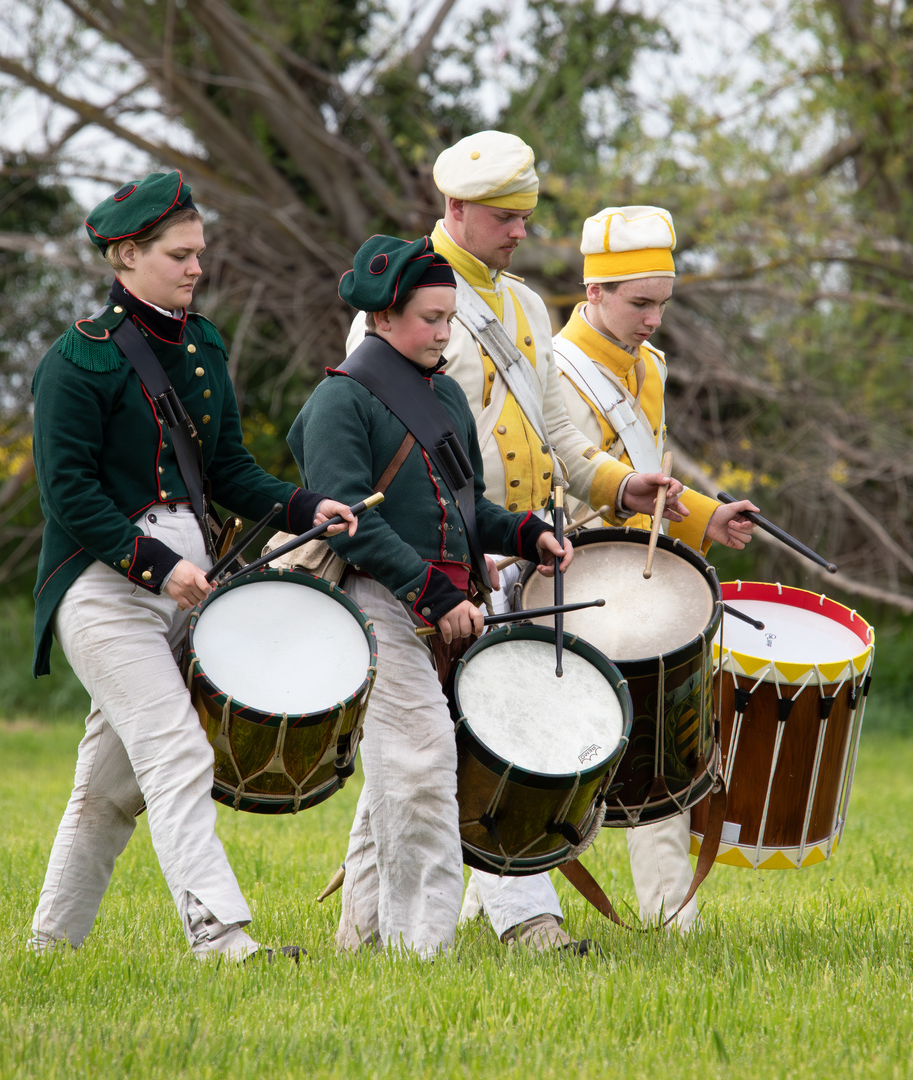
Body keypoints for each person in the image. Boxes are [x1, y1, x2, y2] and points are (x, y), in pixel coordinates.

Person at [344, 131, 686, 951]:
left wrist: (615, 485)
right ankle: (524, 920)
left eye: (526, 216)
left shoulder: (527, 306)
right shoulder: (393, 305)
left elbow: (558, 431)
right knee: (445, 743)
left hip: (517, 551)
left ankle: (364, 932)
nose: (521, 232)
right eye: (504, 217)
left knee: (447, 744)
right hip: (437, 559)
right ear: (455, 210)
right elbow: (369, 439)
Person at [26, 170, 357, 962]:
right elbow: (67, 495)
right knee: (176, 749)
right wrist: (153, 566)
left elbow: (233, 472)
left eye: (199, 252)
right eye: (178, 254)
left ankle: (49, 946)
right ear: (124, 254)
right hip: (102, 589)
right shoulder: (76, 361)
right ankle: (219, 939)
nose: (195, 268)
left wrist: (309, 508)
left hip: (184, 583)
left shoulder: (203, 345)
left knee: (109, 790)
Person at [292, 234, 573, 957]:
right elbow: (349, 523)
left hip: (443, 604)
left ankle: (362, 939)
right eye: (430, 318)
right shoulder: (339, 401)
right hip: (380, 599)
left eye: (450, 317)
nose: (445, 332)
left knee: (400, 768)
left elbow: (465, 505)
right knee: (420, 765)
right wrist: (433, 592)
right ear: (383, 318)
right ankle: (424, 950)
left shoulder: (444, 391)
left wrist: (525, 530)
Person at [551, 204, 758, 930]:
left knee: (662, 754)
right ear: (595, 292)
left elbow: (646, 474)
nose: (653, 320)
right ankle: (508, 903)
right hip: (570, 579)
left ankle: (673, 918)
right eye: (640, 303)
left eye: (663, 304)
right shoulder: (557, 370)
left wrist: (706, 515)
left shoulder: (651, 368)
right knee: (551, 755)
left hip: (638, 583)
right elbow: (581, 477)